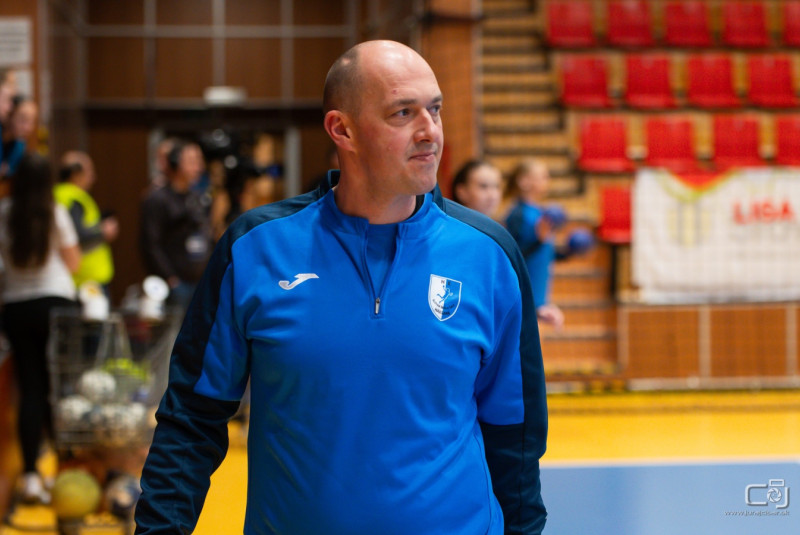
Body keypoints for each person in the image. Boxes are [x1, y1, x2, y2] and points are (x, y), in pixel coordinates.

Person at [134, 40, 547, 534]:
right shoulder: (255, 250)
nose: (430, 131)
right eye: (403, 113)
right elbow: (191, 418)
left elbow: (515, 436)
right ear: (342, 129)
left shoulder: (490, 255)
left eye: (435, 109)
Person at [0, 153, 80, 503]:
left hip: (16, 305)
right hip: (56, 304)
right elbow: (73, 261)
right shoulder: (54, 212)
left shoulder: (4, 212)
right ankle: (64, 469)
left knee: (30, 389)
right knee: (58, 387)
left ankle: (31, 474)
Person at [139, 140, 211, 307]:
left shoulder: (199, 198)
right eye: (192, 161)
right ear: (175, 163)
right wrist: (170, 278)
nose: (199, 167)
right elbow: (150, 244)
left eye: (199, 161)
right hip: (174, 284)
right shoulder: (157, 199)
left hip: (199, 281)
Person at [504, 158, 567, 329]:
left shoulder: (541, 213)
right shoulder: (518, 214)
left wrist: (568, 251)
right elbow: (513, 256)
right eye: (542, 176)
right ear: (524, 181)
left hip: (539, 295)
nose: (547, 180)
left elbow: (545, 254)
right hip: (523, 295)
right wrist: (539, 240)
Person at [54, 151, 118, 292]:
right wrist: (103, 232)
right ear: (75, 174)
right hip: (86, 279)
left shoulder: (59, 194)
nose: (93, 177)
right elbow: (76, 235)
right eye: (89, 172)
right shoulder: (73, 198)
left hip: (80, 277)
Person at [0, 96, 38, 179]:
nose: (28, 128)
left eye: (32, 121)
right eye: (23, 120)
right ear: (9, 115)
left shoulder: (20, 144)